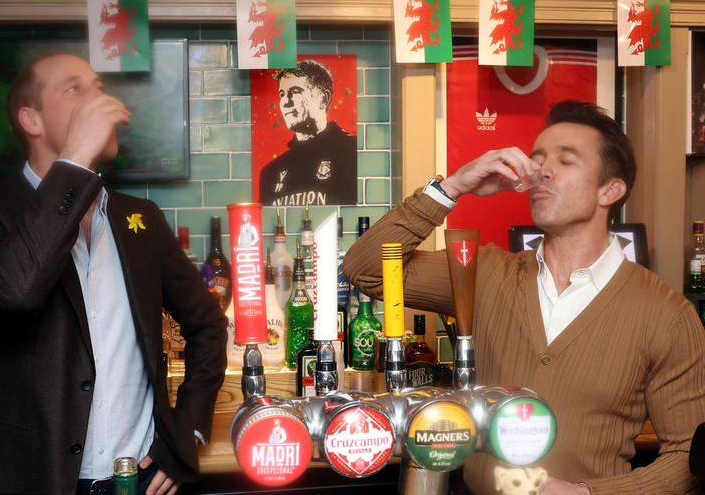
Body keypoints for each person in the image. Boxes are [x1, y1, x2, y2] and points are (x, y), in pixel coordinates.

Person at [343, 100, 705, 494]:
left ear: (610, 190)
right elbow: (366, 268)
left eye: (566, 161)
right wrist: (453, 187)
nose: (541, 171)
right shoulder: (483, 275)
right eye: (538, 159)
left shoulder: (667, 315)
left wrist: (586, 494)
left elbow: (688, 458)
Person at [0, 53, 228, 494]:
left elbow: (207, 325)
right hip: (32, 480)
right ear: (30, 120)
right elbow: (15, 291)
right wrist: (73, 160)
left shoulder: (141, 218)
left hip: (140, 479)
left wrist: (186, 430)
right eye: (75, 89)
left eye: (98, 85)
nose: (99, 97)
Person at [258, 58, 357, 207]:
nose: (285, 102)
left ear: (323, 98)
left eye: (295, 92)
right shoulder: (270, 172)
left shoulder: (352, 151)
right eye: (282, 93)